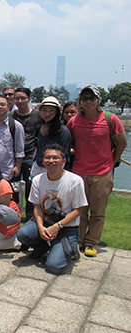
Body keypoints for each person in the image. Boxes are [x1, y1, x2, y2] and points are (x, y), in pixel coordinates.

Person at [67, 85, 127, 257]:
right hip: (79, 171)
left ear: (98, 100)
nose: (88, 102)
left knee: (98, 211)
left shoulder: (110, 119)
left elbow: (122, 142)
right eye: (84, 99)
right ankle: (78, 239)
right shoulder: (74, 122)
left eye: (91, 98)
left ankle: (92, 242)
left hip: (102, 173)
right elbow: (71, 142)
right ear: (80, 102)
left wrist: (111, 163)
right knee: (79, 209)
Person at [16, 144, 88, 274]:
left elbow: (78, 210)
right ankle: (42, 247)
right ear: (42, 161)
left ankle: (69, 249)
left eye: (55, 158)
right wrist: (40, 226)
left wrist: (58, 226)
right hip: (46, 223)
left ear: (64, 161)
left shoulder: (75, 181)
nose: (51, 161)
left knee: (54, 266)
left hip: (66, 227)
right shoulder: (38, 179)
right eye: (47, 158)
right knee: (22, 234)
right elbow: (37, 206)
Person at [12, 87, 43, 218]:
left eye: (23, 98)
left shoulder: (37, 116)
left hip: (31, 156)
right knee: (13, 187)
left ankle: (30, 214)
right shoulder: (10, 116)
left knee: (31, 187)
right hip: (13, 158)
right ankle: (14, 212)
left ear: (29, 99)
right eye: (17, 98)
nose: (20, 101)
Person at [30, 97, 71, 178]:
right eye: (44, 110)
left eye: (51, 111)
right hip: (39, 166)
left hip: (55, 168)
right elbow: (37, 149)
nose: (47, 114)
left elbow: (65, 153)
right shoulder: (39, 128)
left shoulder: (62, 130)